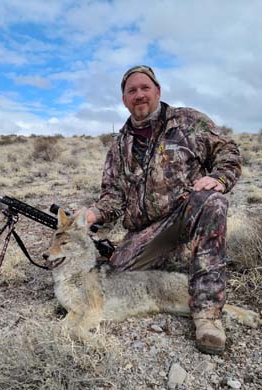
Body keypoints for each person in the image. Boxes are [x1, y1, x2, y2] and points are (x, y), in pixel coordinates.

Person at [84, 65, 242, 354]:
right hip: (146, 230)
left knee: (212, 200)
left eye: (145, 88)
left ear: (157, 91)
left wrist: (218, 178)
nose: (139, 95)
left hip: (187, 212)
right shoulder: (119, 145)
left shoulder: (189, 122)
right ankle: (174, 258)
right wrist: (92, 214)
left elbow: (228, 153)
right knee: (116, 273)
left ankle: (208, 315)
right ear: (124, 99)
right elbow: (114, 195)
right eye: (132, 91)